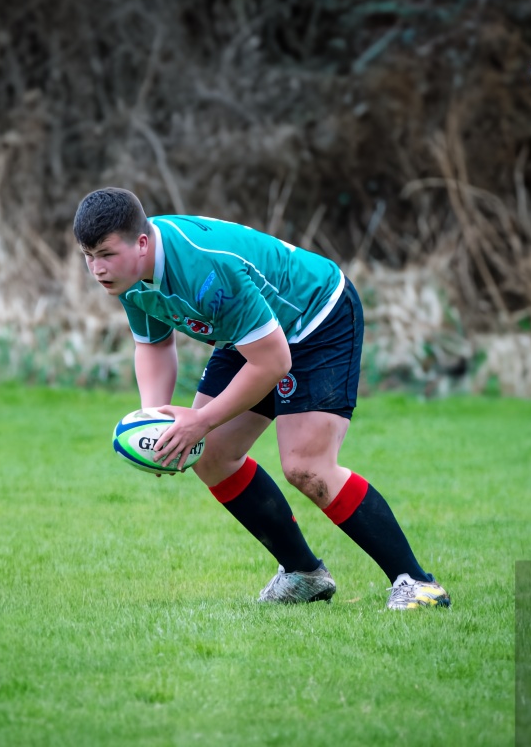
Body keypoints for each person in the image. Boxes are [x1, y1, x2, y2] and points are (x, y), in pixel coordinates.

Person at [73, 187, 450, 610]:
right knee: (211, 455)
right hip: (253, 334)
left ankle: (418, 583)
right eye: (88, 256)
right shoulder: (128, 276)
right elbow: (155, 345)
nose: (97, 268)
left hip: (316, 318)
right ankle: (303, 574)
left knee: (306, 466)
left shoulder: (205, 267)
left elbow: (273, 362)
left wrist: (201, 421)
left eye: (105, 254)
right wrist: (155, 423)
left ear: (141, 243)